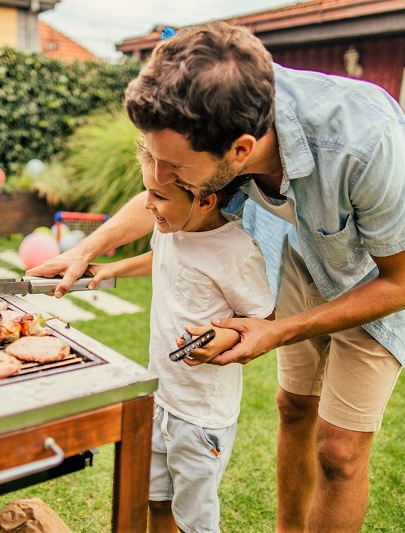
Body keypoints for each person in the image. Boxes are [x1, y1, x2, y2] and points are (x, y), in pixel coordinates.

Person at [27, 21, 405, 532]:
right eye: (153, 157)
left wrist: (278, 329)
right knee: (292, 407)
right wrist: (87, 247)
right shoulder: (213, 118)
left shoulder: (361, 138)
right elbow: (166, 195)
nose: (158, 177)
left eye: (173, 166)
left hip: (378, 275)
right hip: (300, 254)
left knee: (339, 452)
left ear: (240, 152)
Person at [86, 142, 274, 533]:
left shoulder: (236, 251)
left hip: (201, 416)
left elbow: (262, 318)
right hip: (160, 398)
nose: (147, 204)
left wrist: (222, 339)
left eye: (158, 196)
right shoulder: (171, 228)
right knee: (156, 500)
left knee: (195, 521)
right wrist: (111, 267)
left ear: (204, 201)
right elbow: (161, 259)